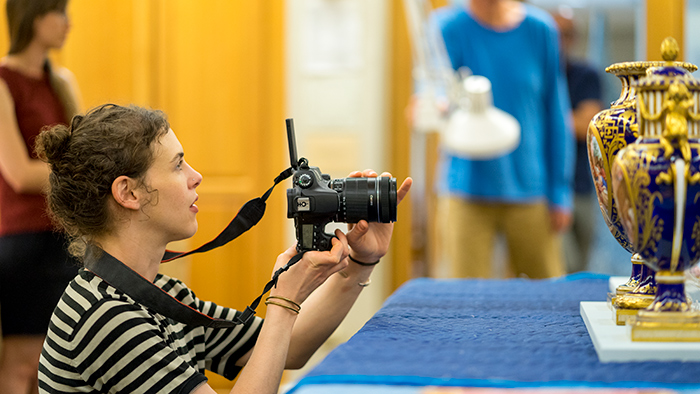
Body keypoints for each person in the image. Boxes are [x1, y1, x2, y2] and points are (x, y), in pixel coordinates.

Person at [34, 104, 412, 393]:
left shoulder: (158, 294)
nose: (196, 176)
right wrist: (283, 303)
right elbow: (281, 332)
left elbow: (288, 348)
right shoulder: (105, 317)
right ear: (128, 193)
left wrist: (361, 261)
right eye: (178, 166)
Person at [433, 0, 574, 279]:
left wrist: (560, 191)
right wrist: (431, 105)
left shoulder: (540, 30)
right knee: (464, 300)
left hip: (531, 189)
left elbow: (556, 113)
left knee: (547, 295)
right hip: (466, 189)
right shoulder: (447, 27)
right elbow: (434, 90)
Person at [0, 0, 81, 392]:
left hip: (63, 236)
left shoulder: (62, 81)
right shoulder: (2, 81)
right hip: (21, 240)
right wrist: (81, 174)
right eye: (60, 12)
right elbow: (18, 173)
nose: (68, 22)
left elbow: (81, 153)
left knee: (59, 360)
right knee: (22, 364)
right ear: (33, 16)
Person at [553, 8, 604, 274]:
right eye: (557, 34)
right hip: (546, 191)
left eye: (567, 34)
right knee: (561, 266)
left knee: (581, 270)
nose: (561, 41)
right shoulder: (537, 75)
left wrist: (546, 120)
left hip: (582, 186)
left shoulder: (586, 75)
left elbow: (587, 125)